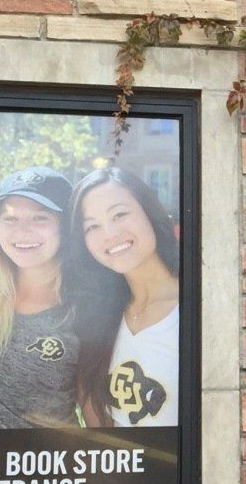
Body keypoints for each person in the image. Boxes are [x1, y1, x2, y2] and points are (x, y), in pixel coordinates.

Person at [0, 167, 82, 430]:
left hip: (46, 455)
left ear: (65, 226)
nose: (22, 232)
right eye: (10, 219)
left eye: (40, 218)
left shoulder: (83, 305)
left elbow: (97, 406)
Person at [70, 166, 180, 428]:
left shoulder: (197, 308)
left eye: (119, 214)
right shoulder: (99, 319)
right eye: (92, 226)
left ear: (149, 212)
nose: (110, 233)